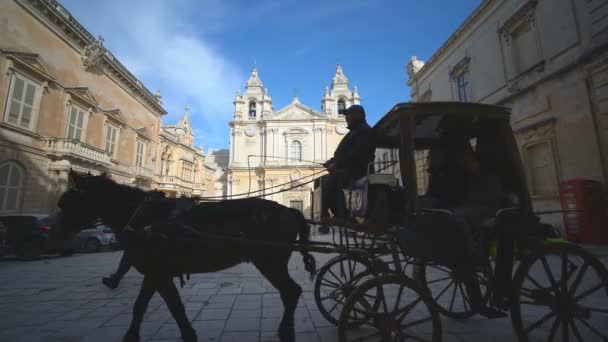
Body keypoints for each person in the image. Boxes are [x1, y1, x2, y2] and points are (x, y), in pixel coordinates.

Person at [422, 140, 509, 318]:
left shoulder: (479, 174)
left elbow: (488, 197)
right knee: (460, 252)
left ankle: (473, 251)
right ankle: (469, 258)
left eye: (432, 155)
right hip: (462, 213)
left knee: (457, 219)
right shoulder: (443, 174)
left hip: (480, 210)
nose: (429, 158)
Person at [320, 105, 375, 221]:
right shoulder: (355, 132)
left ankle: (340, 215)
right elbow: (345, 153)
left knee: (328, 180)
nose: (346, 118)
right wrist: (332, 161)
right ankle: (330, 214)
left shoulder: (364, 131)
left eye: (348, 115)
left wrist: (336, 163)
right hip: (348, 169)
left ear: (358, 116)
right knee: (323, 181)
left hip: (357, 170)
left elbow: (357, 153)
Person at [102, 190, 167, 290]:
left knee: (129, 258)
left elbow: (151, 223)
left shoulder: (152, 208)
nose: (148, 198)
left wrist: (135, 228)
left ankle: (115, 279)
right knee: (129, 258)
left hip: (145, 238)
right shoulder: (157, 208)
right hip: (145, 238)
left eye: (150, 197)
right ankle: (115, 279)